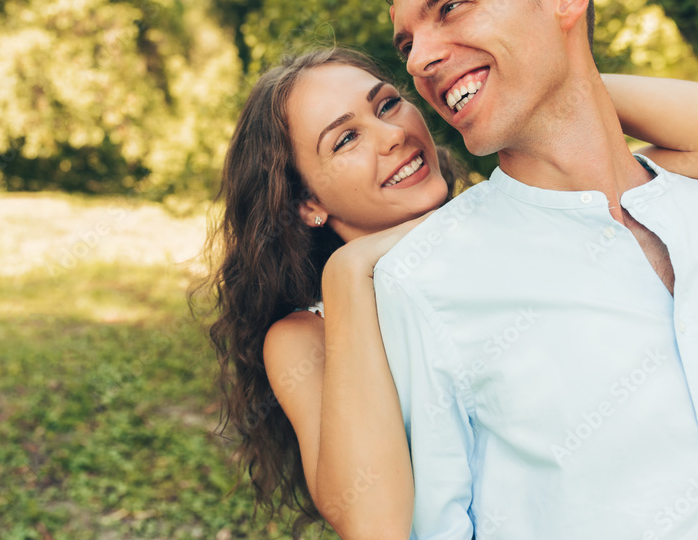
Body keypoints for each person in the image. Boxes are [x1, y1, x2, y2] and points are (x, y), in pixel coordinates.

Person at [202, 47, 698, 537]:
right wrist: (349, 272)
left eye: (388, 104)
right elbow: (374, 524)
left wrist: (549, 80)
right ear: (307, 201)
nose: (394, 135)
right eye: (347, 138)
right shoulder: (305, 335)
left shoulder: (512, 220)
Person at [365, 0, 698, 538]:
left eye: (450, 8)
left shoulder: (688, 196)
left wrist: (579, 88)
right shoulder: (425, 279)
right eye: (406, 43)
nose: (417, 62)